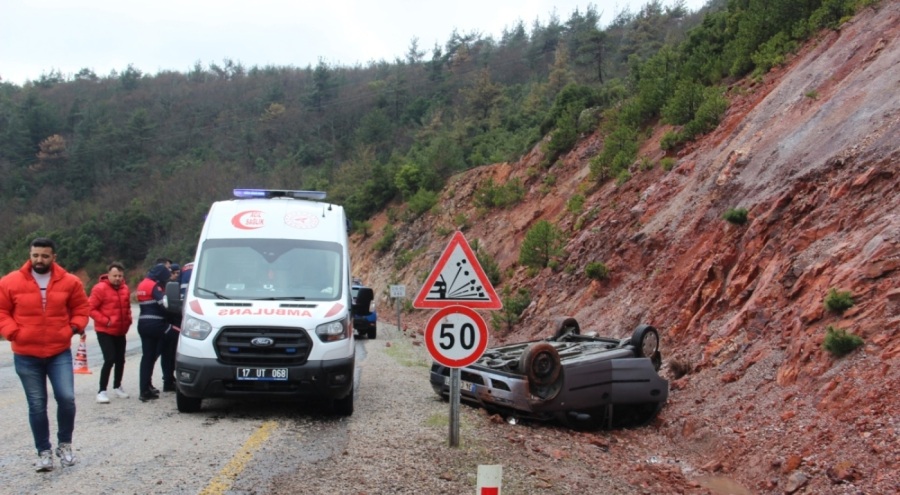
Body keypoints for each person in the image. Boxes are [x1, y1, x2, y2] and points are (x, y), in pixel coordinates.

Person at [0, 237, 90, 472]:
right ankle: (44, 452)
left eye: (44, 256)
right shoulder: (10, 281)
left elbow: (82, 308)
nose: (39, 260)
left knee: (66, 398)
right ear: (30, 255)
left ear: (53, 257)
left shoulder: (70, 282)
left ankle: (65, 445)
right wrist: (12, 332)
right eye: (35, 255)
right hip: (26, 354)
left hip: (58, 352)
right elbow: (2, 310)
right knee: (37, 404)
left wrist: (72, 328)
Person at [89, 262, 133, 403]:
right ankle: (102, 391)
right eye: (115, 276)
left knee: (120, 359)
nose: (117, 278)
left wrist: (129, 320)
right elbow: (90, 308)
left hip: (120, 330)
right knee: (109, 359)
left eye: (120, 276)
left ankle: (117, 386)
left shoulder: (125, 289)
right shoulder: (99, 288)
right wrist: (106, 321)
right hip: (105, 330)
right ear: (108, 275)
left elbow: (127, 307)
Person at [136, 264, 174, 402]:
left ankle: (145, 389)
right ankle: (169, 379)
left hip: (143, 324)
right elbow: (164, 304)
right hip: (156, 325)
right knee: (177, 336)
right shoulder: (154, 286)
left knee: (148, 357)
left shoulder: (142, 284)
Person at [158, 263, 181, 391]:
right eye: (174, 273)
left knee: (172, 353)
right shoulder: (167, 286)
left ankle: (170, 378)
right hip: (169, 325)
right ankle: (167, 380)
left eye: (178, 273)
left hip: (175, 324)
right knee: (167, 353)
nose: (176, 275)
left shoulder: (177, 285)